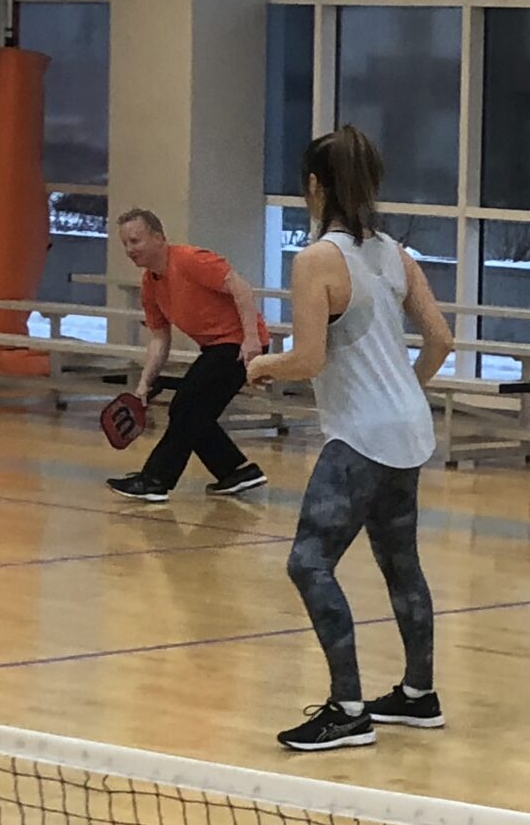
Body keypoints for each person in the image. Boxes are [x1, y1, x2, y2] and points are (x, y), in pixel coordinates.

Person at [247, 126, 454, 752]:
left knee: (307, 562)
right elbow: (442, 341)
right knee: (401, 564)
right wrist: (405, 395)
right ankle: (419, 695)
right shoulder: (396, 253)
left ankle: (348, 710)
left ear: (315, 185)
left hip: (361, 438)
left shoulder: (315, 261)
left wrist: (260, 367)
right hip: (409, 431)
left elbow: (308, 359)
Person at [106, 210, 269, 501]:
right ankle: (236, 471)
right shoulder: (150, 284)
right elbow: (159, 338)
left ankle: (155, 479)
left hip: (238, 344)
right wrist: (143, 384)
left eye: (136, 240)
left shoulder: (191, 260)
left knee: (186, 405)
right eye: (125, 244)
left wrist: (252, 341)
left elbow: (241, 288)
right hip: (215, 347)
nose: (130, 249)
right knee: (193, 413)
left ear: (158, 238)